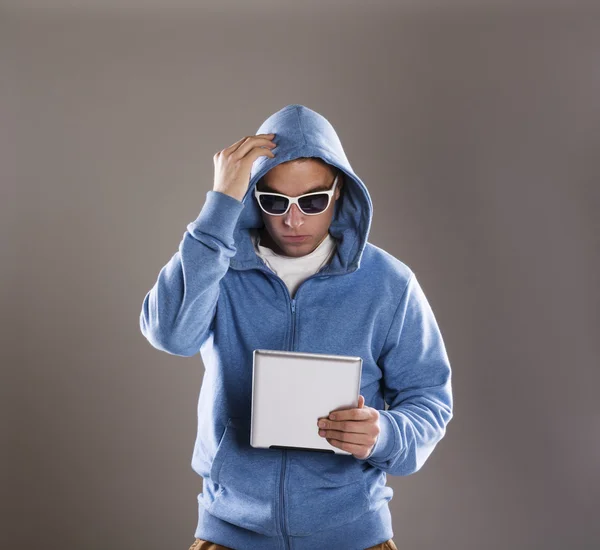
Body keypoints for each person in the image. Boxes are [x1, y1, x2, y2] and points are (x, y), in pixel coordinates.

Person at [139, 104, 453, 550]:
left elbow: (429, 398)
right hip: (229, 531)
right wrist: (219, 205)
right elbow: (169, 334)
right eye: (274, 201)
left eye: (312, 201)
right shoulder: (217, 268)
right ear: (254, 195)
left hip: (354, 535)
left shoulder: (388, 283)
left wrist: (383, 433)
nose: (293, 219)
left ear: (339, 190)